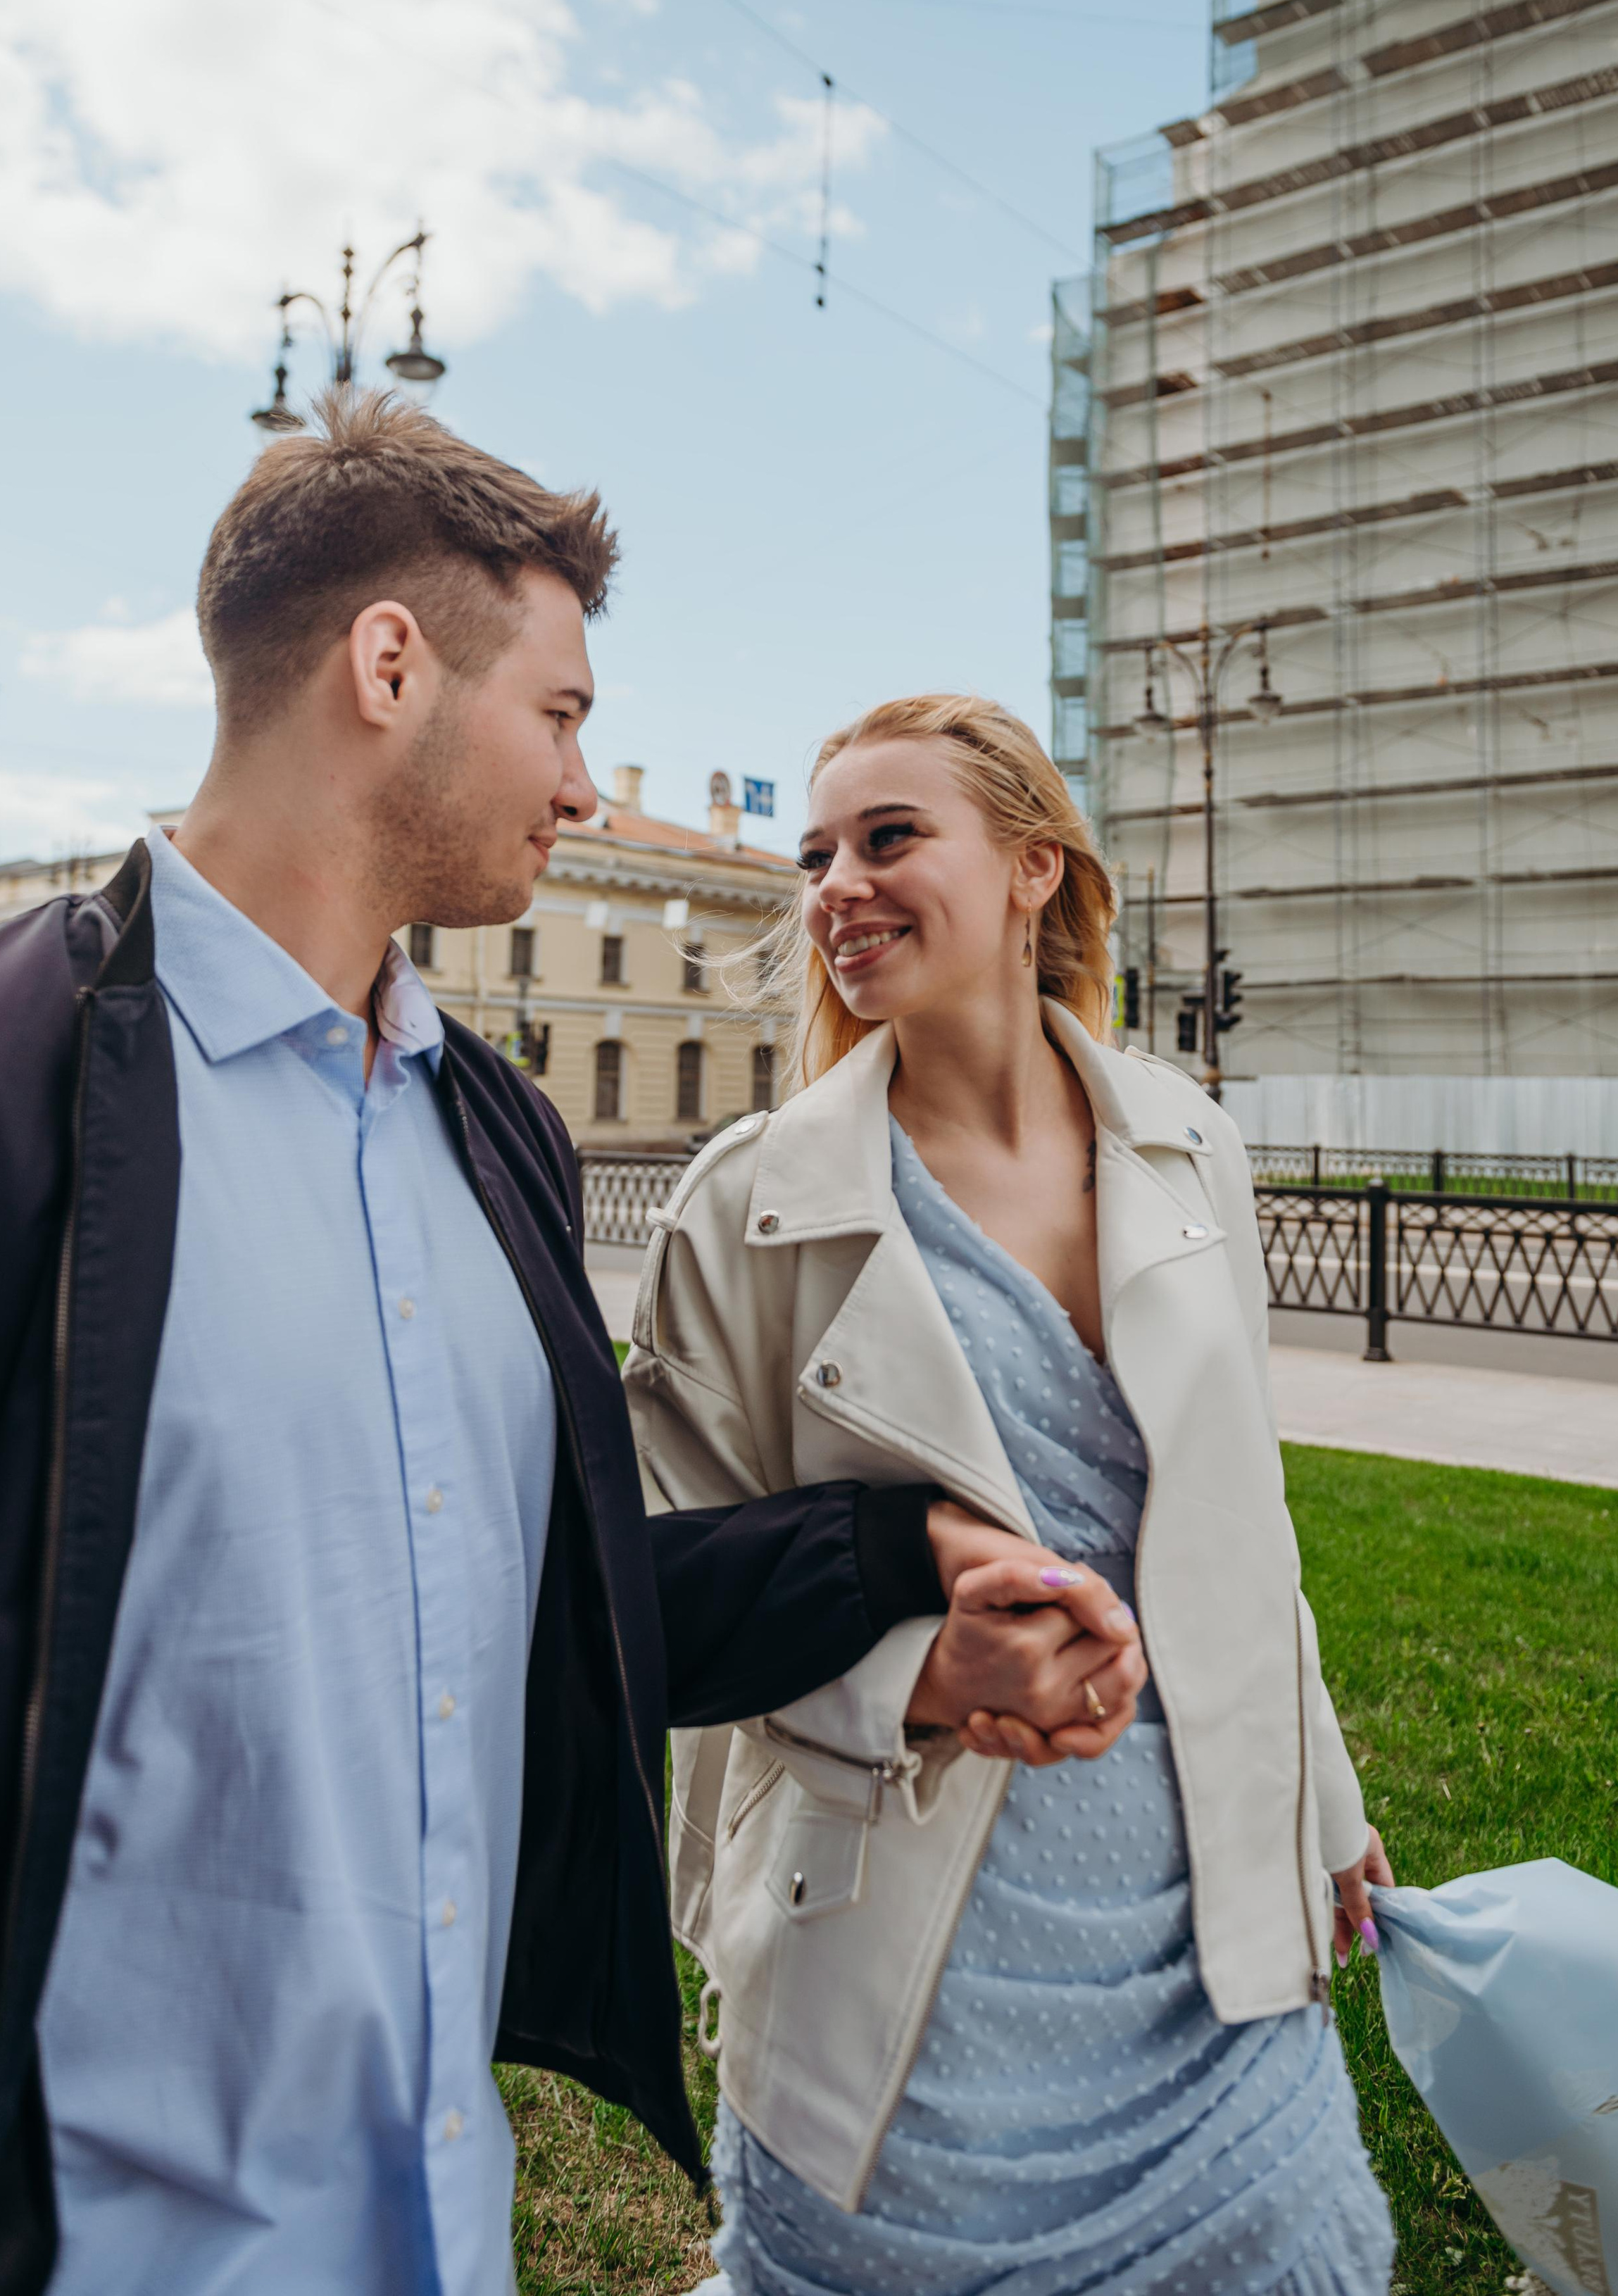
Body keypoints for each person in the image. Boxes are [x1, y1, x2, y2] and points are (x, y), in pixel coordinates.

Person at [0, 404, 1140, 2296]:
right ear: (390, 664)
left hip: (435, 2226)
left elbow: (542, 1593)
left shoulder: (490, 1128)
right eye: (565, 714)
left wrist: (887, 1562)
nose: (585, 789)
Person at [627, 692, 1398, 2296]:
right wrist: (917, 1677)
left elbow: (1241, 1528)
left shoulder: (1190, 1146)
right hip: (910, 1967)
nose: (837, 883)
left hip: (1203, 1936)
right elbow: (666, 1590)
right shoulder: (747, 1203)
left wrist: (1320, 1809)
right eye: (815, 853)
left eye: (889, 837)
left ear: (1035, 870)